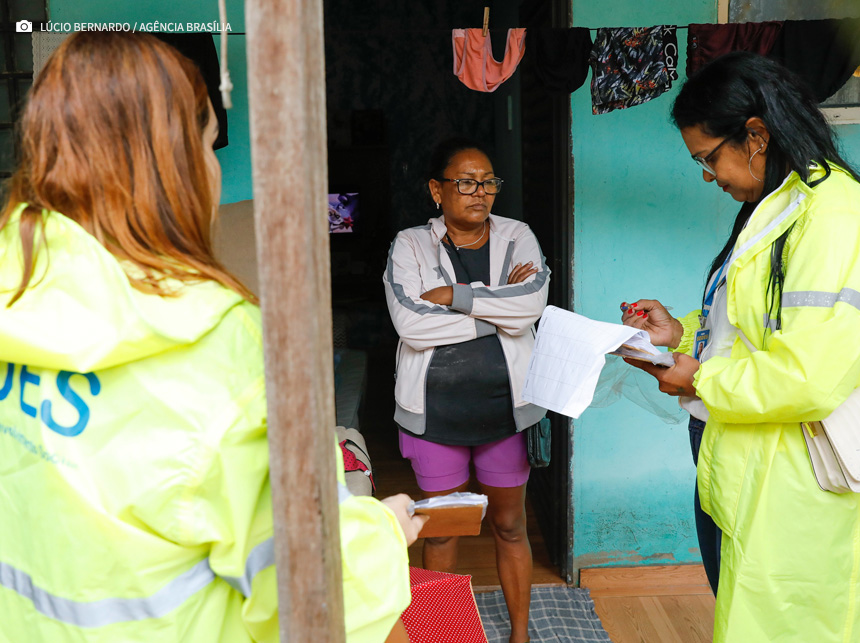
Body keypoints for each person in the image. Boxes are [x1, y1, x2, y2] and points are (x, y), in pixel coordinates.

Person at [0, 32, 426, 643]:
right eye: (207, 144)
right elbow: (324, 592)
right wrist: (381, 534)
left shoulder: (14, 289)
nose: (214, 167)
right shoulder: (223, 349)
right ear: (173, 170)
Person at [619, 51, 860, 642]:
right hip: (741, 460)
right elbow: (754, 322)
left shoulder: (834, 214)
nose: (709, 175)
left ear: (756, 135)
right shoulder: (776, 205)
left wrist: (698, 379)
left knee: (784, 625)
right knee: (744, 612)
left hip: (794, 480)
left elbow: (807, 374)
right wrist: (677, 331)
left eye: (708, 158)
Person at [383, 137, 550, 643]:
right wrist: (497, 315)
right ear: (437, 189)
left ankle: (519, 636)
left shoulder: (518, 235)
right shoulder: (410, 244)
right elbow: (411, 323)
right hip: (435, 415)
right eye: (466, 182)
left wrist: (454, 298)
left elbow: (532, 306)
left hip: (506, 410)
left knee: (510, 526)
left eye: (489, 182)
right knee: (443, 531)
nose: (480, 192)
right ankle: (442, 637)